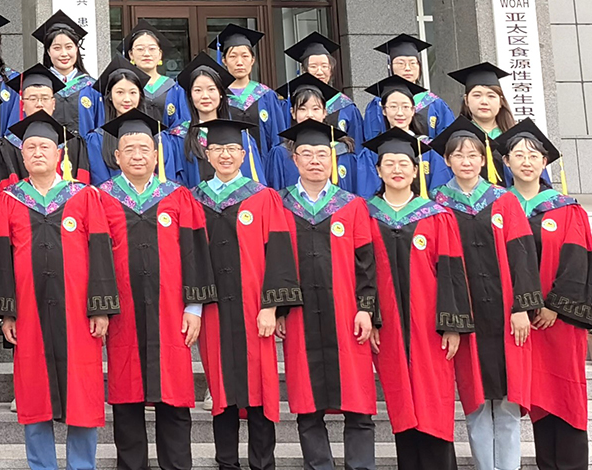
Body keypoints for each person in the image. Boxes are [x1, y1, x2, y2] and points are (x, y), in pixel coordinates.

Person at [0, 111, 117, 470]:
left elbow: (100, 251)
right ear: (22, 155)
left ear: (59, 153)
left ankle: (82, 465)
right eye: (30, 147)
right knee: (34, 391)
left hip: (77, 310)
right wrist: (7, 312)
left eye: (44, 146)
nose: (37, 152)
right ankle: (41, 465)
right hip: (29, 311)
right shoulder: (10, 199)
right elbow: (1, 258)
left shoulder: (84, 196)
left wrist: (100, 307)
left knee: (82, 389)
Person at [94, 109, 211, 470]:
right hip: (123, 310)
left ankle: (176, 464)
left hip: (171, 310)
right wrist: (100, 307)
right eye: (129, 149)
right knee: (126, 393)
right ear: (117, 156)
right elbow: (95, 258)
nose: (137, 155)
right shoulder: (102, 198)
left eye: (144, 148)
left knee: (173, 393)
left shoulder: (177, 197)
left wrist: (194, 307)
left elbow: (195, 253)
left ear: (157, 155)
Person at [428, 117, 541, 470]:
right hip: (467, 315)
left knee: (507, 402)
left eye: (473, 155)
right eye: (458, 155)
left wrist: (522, 307)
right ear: (447, 160)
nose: (466, 161)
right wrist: (450, 319)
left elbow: (523, 256)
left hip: (506, 314)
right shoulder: (438, 205)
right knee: (475, 402)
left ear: (483, 159)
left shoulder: (503, 200)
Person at [359, 128, 471, 470]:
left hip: (429, 325)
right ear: (378, 170)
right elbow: (360, 273)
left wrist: (452, 325)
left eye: (403, 163)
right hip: (388, 325)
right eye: (389, 163)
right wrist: (371, 317)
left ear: (415, 170)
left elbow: (452, 271)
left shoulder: (436, 215)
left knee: (433, 399)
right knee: (401, 403)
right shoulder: (366, 215)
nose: (397, 169)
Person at [188, 117, 296, 470]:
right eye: (218, 148)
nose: (225, 155)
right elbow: (189, 256)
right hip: (214, 309)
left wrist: (271, 307)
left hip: (254, 309)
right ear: (207, 153)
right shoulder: (196, 199)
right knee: (221, 388)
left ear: (244, 153)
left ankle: (262, 463)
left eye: (232, 148)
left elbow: (278, 254)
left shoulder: (263, 198)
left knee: (260, 386)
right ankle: (227, 463)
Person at [274, 120, 379, 470]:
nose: (315, 160)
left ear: (332, 159)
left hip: (346, 312)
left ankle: (360, 466)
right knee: (307, 403)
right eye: (307, 154)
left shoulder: (352, 206)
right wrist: (278, 309)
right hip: (300, 313)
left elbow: (367, 263)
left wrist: (366, 308)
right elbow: (274, 262)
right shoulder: (281, 205)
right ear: (294, 160)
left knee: (358, 399)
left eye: (322, 154)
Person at [494, 121, 592, 470]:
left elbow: (577, 261)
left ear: (544, 162)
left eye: (534, 155)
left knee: (565, 394)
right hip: (518, 319)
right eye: (519, 155)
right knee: (538, 396)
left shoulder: (566, 209)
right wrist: (519, 305)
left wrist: (554, 306)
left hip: (557, 322)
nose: (526, 161)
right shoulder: (498, 207)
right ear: (506, 161)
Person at [169, 25, 284, 152]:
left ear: (252, 60)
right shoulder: (215, 96)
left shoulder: (266, 95)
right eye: (233, 56)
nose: (239, 62)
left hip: (262, 161)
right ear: (224, 60)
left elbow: (277, 138)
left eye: (245, 56)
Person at [168, 55, 265, 187]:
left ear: (220, 94)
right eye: (198, 90)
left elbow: (253, 184)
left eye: (211, 89)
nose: (205, 96)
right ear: (190, 96)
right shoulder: (178, 137)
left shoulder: (242, 137)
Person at [272, 73, 366, 195]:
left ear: (324, 112)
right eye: (302, 109)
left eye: (315, 109)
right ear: (293, 113)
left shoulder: (342, 151)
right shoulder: (281, 153)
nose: (309, 114)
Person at [358, 76, 450, 195]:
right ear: (384, 111)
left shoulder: (427, 148)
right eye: (393, 107)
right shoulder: (371, 152)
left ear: (413, 110)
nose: (400, 113)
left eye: (405, 107)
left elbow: (440, 189)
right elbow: (368, 193)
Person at [6, 64, 94, 185]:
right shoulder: (7, 146)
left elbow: (83, 185)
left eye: (45, 98)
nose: (39, 104)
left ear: (53, 103)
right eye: (32, 99)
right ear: (22, 105)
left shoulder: (73, 144)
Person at [362, 34, 453, 139]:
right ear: (390, 67)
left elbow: (448, 140)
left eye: (413, 63)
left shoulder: (435, 103)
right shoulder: (378, 104)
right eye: (401, 63)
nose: (408, 68)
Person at [30, 11, 105, 136]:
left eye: (69, 47)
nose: (64, 54)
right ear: (48, 51)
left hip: (85, 148)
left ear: (77, 49)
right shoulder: (38, 86)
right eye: (57, 48)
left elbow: (101, 128)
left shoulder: (92, 87)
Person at [283, 32, 362, 143]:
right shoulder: (290, 104)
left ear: (331, 70)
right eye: (313, 66)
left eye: (324, 66)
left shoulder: (345, 106)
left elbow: (357, 144)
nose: (319, 72)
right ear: (304, 70)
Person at [450, 62, 520, 185]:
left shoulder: (517, 137)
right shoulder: (456, 138)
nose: (484, 102)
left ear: (500, 101)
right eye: (477, 95)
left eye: (491, 96)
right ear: (466, 100)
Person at [85, 55, 150, 185]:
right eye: (120, 92)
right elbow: (100, 181)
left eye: (133, 92)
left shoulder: (156, 136)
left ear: (140, 95)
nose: (127, 99)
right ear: (110, 96)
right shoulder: (97, 139)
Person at [119, 20, 182, 128]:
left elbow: (184, 123)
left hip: (168, 139)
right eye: (140, 49)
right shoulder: (124, 86)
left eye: (152, 48)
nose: (146, 54)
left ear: (160, 54)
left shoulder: (174, 87)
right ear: (131, 55)